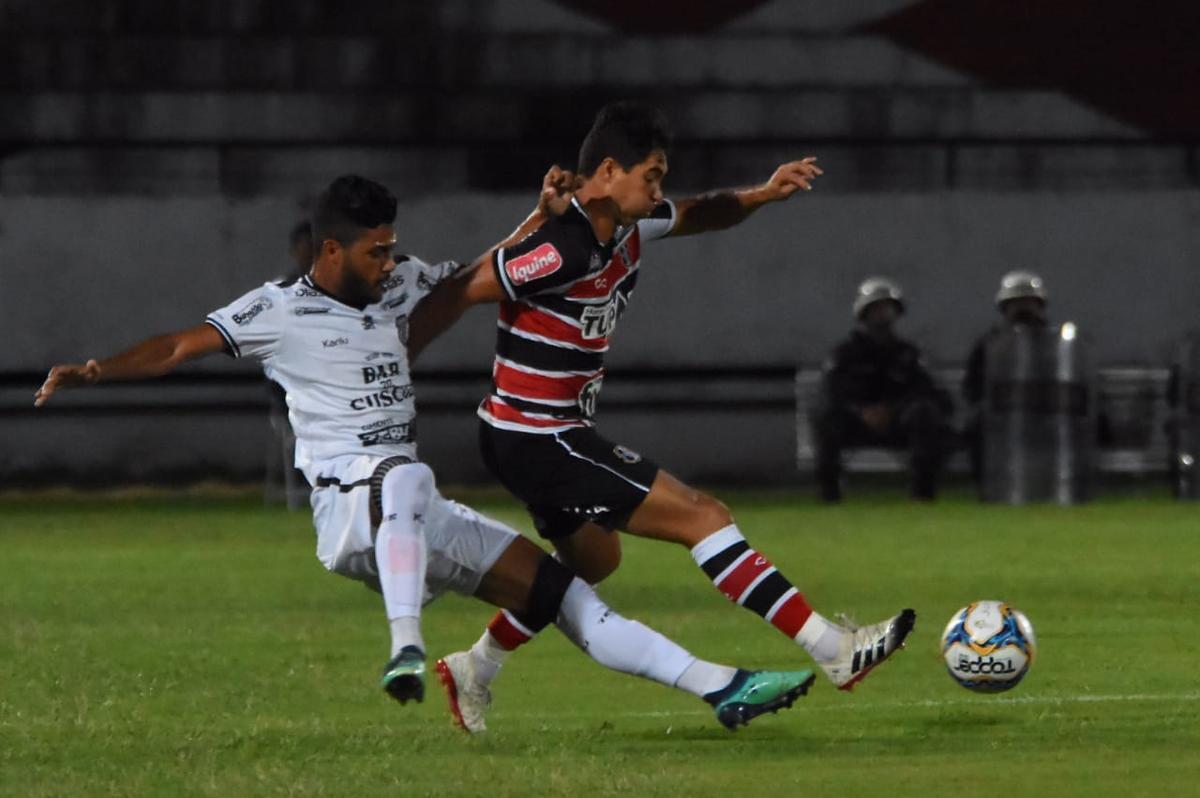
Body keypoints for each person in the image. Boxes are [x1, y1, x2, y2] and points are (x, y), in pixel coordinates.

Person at [33, 174, 819, 733]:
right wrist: (96, 369)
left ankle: (722, 687)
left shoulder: (397, 279)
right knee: (406, 470)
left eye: (393, 249)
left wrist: (533, 218)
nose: (390, 264)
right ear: (331, 252)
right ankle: (405, 647)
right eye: (375, 252)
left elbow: (479, 276)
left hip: (416, 516)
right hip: (350, 511)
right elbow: (177, 344)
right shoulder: (276, 311)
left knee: (560, 594)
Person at [407, 102, 916, 732]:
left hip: (549, 432)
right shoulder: (559, 248)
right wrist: (392, 366)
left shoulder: (628, 226)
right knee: (702, 515)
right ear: (611, 169)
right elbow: (462, 288)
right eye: (651, 175)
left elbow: (703, 212)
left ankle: (476, 667)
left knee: (592, 566)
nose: (659, 190)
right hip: (535, 435)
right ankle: (832, 650)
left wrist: (763, 193)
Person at [810, 277, 954, 502]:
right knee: (828, 419)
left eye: (887, 309)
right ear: (863, 313)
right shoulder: (845, 354)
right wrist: (860, 411)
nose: (882, 315)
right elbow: (831, 392)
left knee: (925, 415)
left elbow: (928, 391)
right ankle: (829, 495)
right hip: (856, 424)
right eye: (875, 309)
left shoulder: (908, 354)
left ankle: (922, 494)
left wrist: (893, 409)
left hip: (899, 423)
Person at [961, 271, 1050, 482]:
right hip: (1000, 411)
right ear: (1005, 308)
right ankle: (987, 486)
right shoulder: (989, 344)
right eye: (1017, 304)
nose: (1023, 310)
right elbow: (972, 388)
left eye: (1028, 303)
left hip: (1045, 411)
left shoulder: (1053, 344)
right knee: (978, 421)